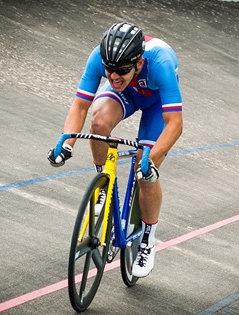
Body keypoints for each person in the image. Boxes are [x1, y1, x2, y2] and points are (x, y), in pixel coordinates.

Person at [48, 22, 183, 277]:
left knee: (145, 174)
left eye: (120, 70)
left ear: (139, 64)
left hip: (156, 104)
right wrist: (66, 143)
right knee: (98, 123)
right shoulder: (101, 58)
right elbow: (80, 107)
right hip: (126, 94)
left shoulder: (161, 63)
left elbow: (175, 124)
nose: (112, 76)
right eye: (109, 70)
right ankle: (103, 186)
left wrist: (150, 161)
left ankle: (147, 238)